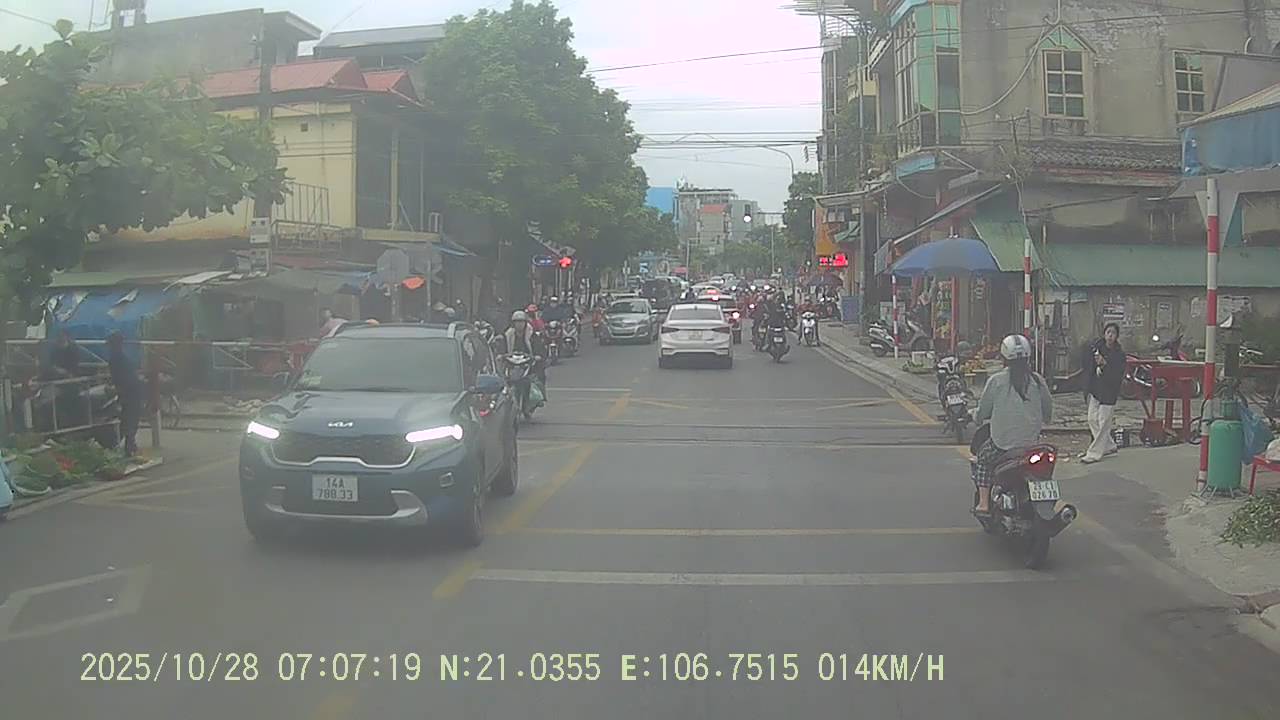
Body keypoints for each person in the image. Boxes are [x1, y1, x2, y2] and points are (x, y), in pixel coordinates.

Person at [972, 334, 1053, 514]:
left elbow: (983, 410)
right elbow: (1048, 409)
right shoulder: (1038, 381)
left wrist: (976, 417)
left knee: (982, 459)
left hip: (1002, 446)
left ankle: (984, 503)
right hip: (1032, 445)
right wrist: (1046, 419)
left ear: (1004, 358)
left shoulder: (996, 381)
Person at [1081, 322, 1126, 463]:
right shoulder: (1096, 348)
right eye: (1108, 332)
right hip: (1095, 389)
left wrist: (1105, 364)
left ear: (1117, 336)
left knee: (1103, 422)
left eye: (1113, 333)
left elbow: (1117, 374)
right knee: (1092, 419)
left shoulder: (1119, 354)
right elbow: (1087, 367)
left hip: (1109, 391)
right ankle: (1109, 445)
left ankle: (1094, 453)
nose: (1110, 336)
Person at [106, 332, 142, 458]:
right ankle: (129, 445)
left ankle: (129, 444)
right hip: (131, 390)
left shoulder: (115, 359)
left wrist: (115, 387)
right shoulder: (121, 358)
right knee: (131, 418)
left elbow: (119, 377)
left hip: (127, 390)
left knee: (128, 418)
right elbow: (126, 377)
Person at [503, 311, 547, 408]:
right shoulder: (508, 335)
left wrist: (537, 356)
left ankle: (538, 397)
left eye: (521, 322)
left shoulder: (532, 335)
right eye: (517, 322)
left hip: (529, 363)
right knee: (502, 377)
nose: (519, 324)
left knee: (539, 375)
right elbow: (503, 347)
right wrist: (500, 355)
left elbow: (540, 349)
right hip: (512, 363)